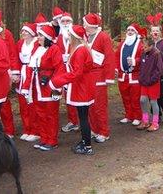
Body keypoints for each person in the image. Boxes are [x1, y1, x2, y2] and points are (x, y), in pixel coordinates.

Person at [49, 25, 96, 155]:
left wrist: (58, 81)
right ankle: (85, 141)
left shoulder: (80, 50)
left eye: (69, 35)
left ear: (74, 37)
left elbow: (77, 73)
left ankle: (87, 146)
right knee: (82, 116)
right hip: (82, 86)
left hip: (82, 87)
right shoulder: (79, 49)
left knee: (83, 117)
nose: (68, 37)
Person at [21, 24, 65, 151]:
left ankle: (52, 140)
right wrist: (25, 86)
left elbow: (59, 69)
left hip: (50, 87)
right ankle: (44, 138)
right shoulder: (37, 49)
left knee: (51, 114)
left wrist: (54, 85)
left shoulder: (54, 49)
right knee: (40, 113)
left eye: (40, 35)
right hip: (37, 87)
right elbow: (30, 68)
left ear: (47, 37)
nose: (38, 37)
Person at [83, 13, 115, 143]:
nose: (83, 25)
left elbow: (109, 57)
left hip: (99, 75)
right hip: (88, 75)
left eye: (85, 23)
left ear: (90, 25)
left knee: (99, 106)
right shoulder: (87, 37)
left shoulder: (103, 37)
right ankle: (94, 129)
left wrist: (109, 77)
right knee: (90, 105)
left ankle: (104, 131)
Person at [14, 23, 41, 142]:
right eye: (22, 31)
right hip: (22, 73)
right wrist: (16, 74)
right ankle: (27, 128)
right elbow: (15, 58)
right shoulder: (19, 43)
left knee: (33, 103)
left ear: (31, 33)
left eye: (26, 31)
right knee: (23, 104)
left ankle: (36, 130)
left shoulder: (37, 43)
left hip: (33, 74)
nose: (23, 33)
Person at [56, 12, 80, 133]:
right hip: (64, 71)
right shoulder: (59, 37)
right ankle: (73, 121)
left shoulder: (77, 37)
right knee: (68, 97)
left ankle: (146, 117)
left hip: (75, 71)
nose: (65, 24)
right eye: (63, 21)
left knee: (141, 101)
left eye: (68, 21)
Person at [116, 23, 143, 125]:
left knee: (135, 98)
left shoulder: (140, 44)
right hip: (123, 76)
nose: (130, 32)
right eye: (128, 30)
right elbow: (116, 56)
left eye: (132, 31)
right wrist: (116, 68)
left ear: (136, 33)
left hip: (135, 76)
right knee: (125, 98)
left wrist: (135, 61)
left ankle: (138, 117)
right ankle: (128, 115)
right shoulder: (122, 44)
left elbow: (144, 57)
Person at [137, 37, 163, 132]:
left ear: (151, 46)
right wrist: (141, 77)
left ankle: (155, 123)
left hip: (153, 82)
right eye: (143, 46)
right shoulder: (143, 53)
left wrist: (152, 80)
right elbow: (141, 66)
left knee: (153, 102)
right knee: (142, 100)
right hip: (144, 82)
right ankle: (145, 120)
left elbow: (158, 70)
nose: (143, 48)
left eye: (145, 47)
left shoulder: (156, 54)